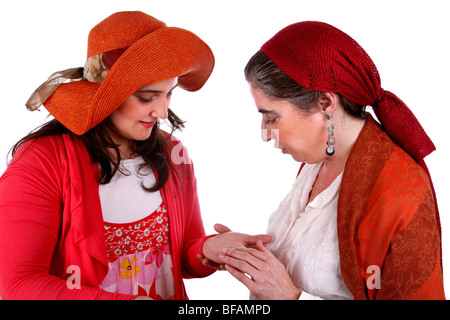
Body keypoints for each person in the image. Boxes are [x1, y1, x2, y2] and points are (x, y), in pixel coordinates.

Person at [0, 11, 270, 300]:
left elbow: (180, 253)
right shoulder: (42, 161)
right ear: (106, 95)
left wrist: (208, 248)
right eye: (146, 97)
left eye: (169, 94)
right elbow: (16, 285)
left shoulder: (173, 152)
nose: (162, 112)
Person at [216, 21, 445, 299]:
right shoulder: (319, 158)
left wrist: (289, 298)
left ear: (325, 104)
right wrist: (254, 256)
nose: (265, 134)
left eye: (272, 117)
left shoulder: (398, 190)